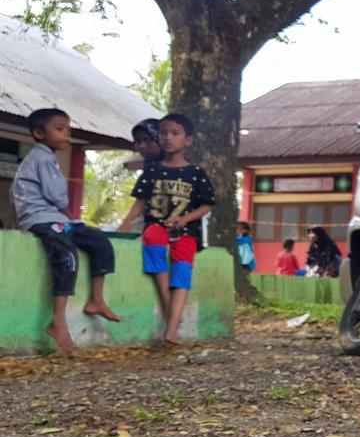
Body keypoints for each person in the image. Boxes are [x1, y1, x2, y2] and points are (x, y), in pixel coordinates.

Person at [12, 108, 121, 353]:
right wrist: (72, 218)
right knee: (67, 256)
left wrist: (72, 222)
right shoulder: (40, 158)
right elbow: (55, 195)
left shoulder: (47, 157)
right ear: (39, 134)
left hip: (54, 219)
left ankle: (96, 300)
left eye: (68, 130)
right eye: (59, 130)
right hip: (39, 218)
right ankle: (58, 322)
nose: (66, 135)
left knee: (100, 242)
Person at [119, 113, 215, 345]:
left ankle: (172, 328)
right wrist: (127, 221)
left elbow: (206, 205)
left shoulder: (196, 173)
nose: (168, 138)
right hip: (157, 225)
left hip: (186, 231)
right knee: (152, 239)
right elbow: (140, 201)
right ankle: (165, 299)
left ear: (188, 140)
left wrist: (185, 219)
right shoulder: (151, 171)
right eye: (163, 133)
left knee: (182, 270)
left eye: (175, 133)